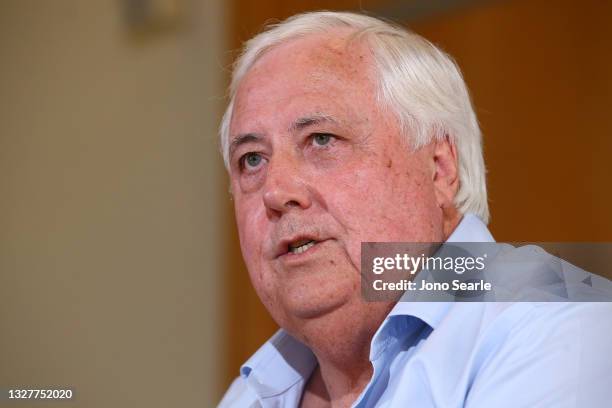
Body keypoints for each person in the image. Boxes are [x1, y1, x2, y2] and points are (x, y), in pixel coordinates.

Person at [217, 11, 612, 407]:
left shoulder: (560, 327)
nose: (276, 191)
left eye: (321, 139)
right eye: (252, 160)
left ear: (439, 168)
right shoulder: (249, 394)